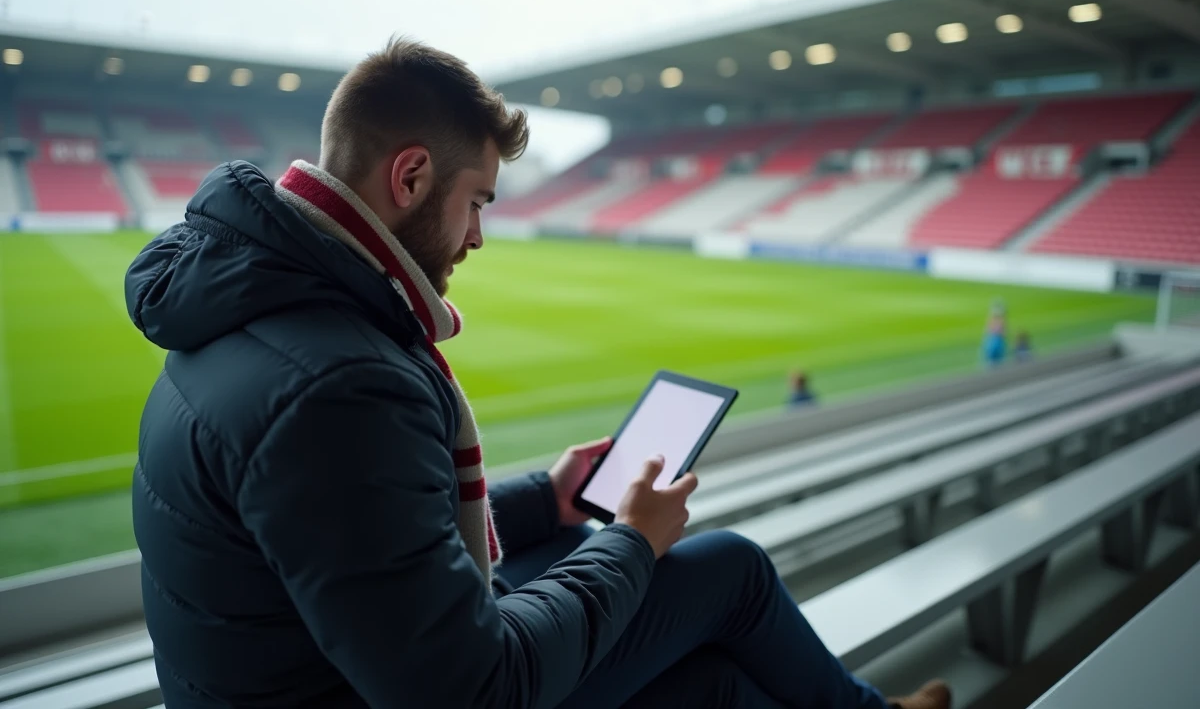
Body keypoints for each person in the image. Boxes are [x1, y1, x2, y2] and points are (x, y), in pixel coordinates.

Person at [125, 38, 950, 709]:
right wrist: (633, 540)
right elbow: (475, 691)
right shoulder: (340, 385)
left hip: (303, 671)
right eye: (478, 200)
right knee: (725, 568)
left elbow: (363, 544)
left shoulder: (244, 304)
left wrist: (537, 502)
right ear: (411, 178)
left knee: (691, 662)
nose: (479, 236)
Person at [981, 299, 1007, 368]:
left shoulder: (998, 320)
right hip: (994, 341)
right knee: (995, 361)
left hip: (994, 341)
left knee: (994, 361)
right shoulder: (998, 320)